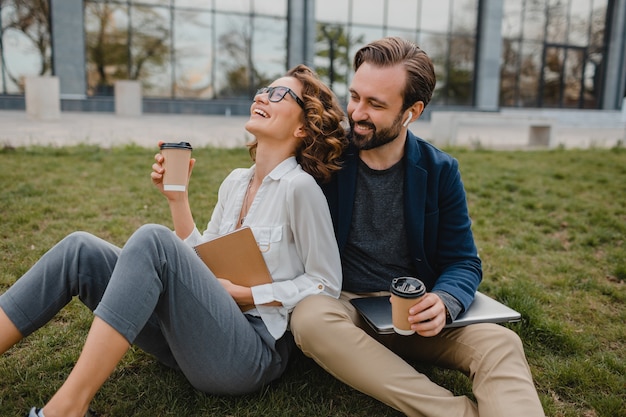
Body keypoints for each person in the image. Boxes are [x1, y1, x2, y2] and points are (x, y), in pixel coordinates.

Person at [0, 64, 346, 417]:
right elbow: (201, 260)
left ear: (303, 126)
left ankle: (67, 409)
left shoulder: (300, 189)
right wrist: (177, 201)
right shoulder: (236, 182)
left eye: (278, 94)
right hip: (198, 336)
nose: (261, 96)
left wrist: (246, 294)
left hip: (249, 353)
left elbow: (326, 284)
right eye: (263, 90)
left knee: (153, 240)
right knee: (80, 249)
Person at [290, 37, 545, 417]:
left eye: (375, 104)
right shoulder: (324, 154)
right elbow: (265, 180)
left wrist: (443, 301)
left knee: (501, 342)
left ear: (413, 111)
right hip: (345, 309)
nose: (356, 112)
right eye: (355, 96)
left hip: (414, 314)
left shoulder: (441, 170)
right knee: (309, 319)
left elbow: (463, 261)